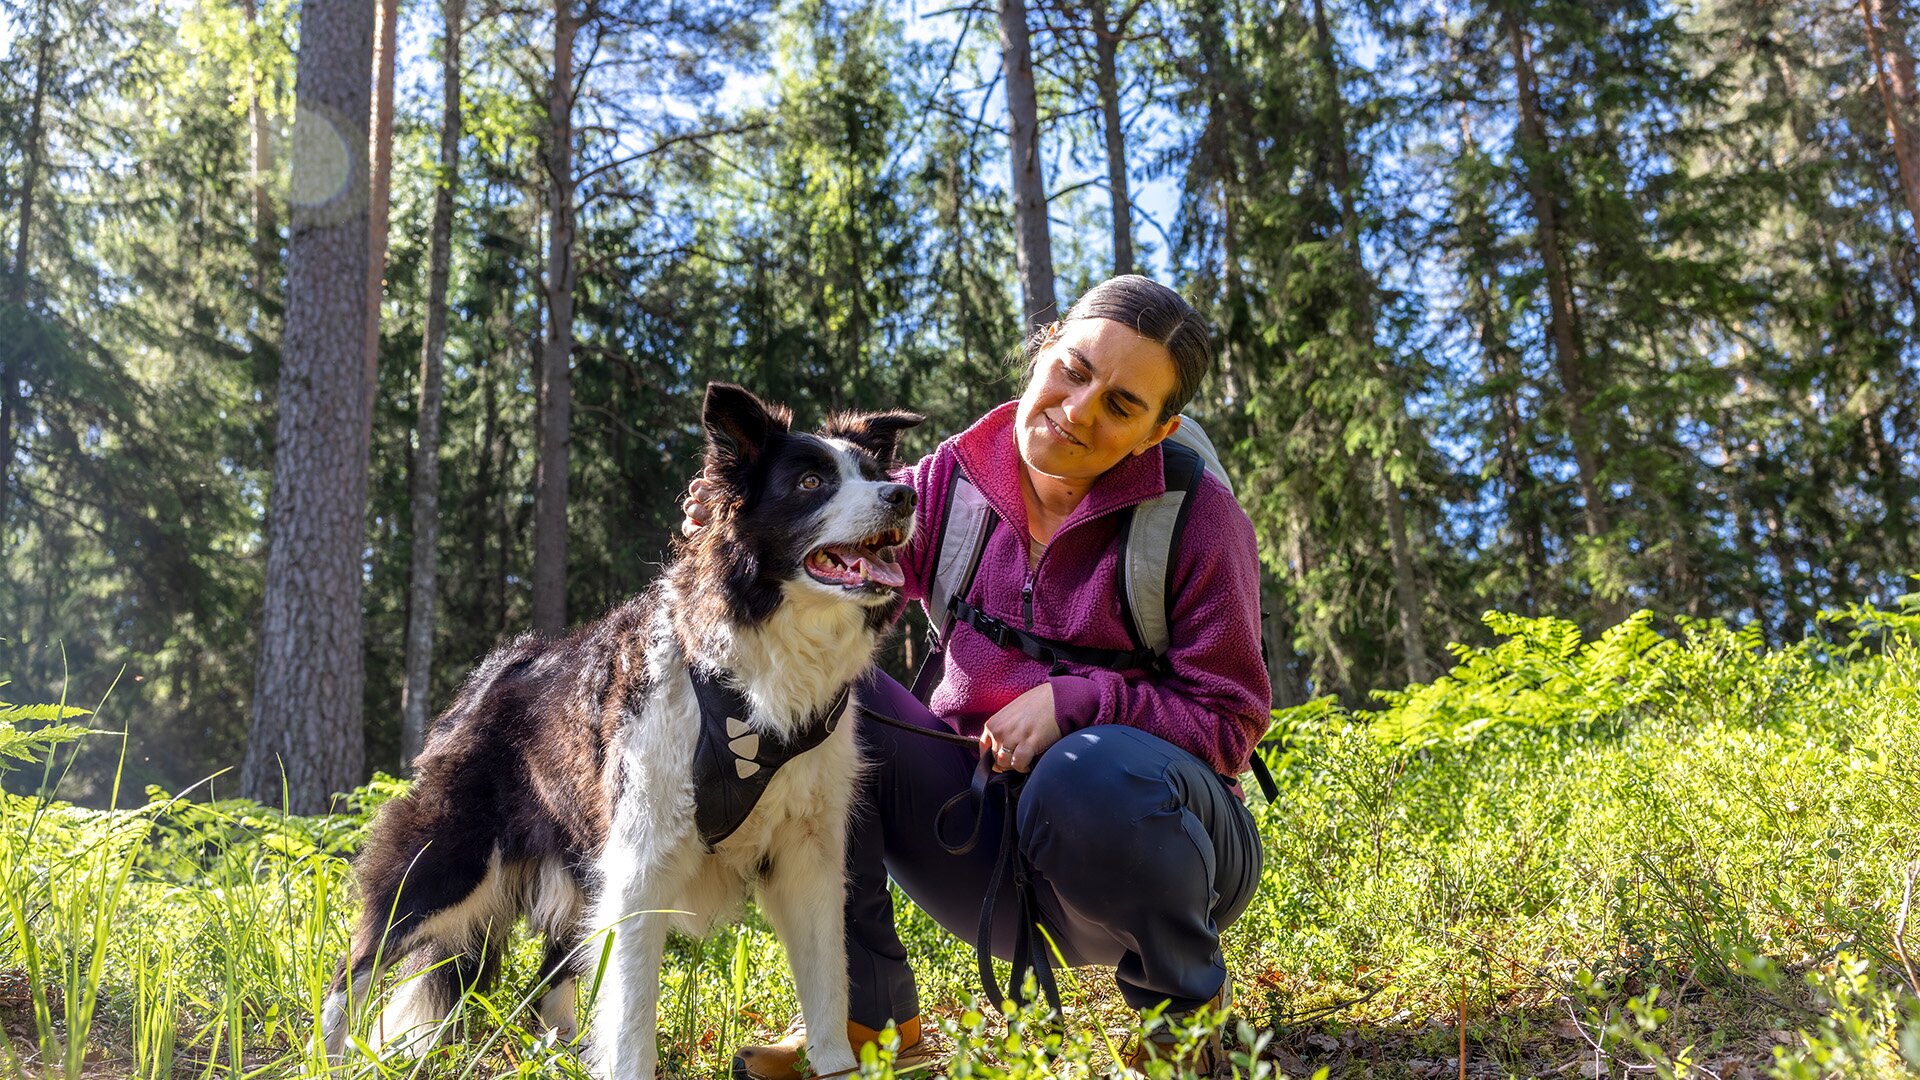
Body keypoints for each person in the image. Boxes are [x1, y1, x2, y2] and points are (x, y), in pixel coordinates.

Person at [688, 275, 1270, 1078]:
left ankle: (1187, 1030)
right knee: (824, 691)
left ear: (1157, 430)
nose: (1077, 411)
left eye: (1122, 405)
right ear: (1042, 354)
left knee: (1085, 772)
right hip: (982, 843)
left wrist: (1079, 701)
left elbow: (1230, 722)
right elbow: (819, 545)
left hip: (1168, 848)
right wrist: (738, 512)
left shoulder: (1195, 517)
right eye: (1072, 370)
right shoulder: (953, 487)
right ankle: (871, 1023)